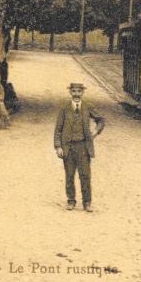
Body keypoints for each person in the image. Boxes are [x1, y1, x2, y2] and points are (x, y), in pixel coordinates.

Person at [53, 82, 105, 211]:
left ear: (83, 93)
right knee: (69, 175)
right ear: (70, 92)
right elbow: (58, 129)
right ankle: (71, 201)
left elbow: (100, 120)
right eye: (74, 91)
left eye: (79, 91)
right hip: (68, 147)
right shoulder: (64, 108)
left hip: (83, 147)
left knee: (85, 175)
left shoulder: (88, 107)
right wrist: (58, 146)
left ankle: (87, 203)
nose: (76, 94)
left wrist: (96, 132)